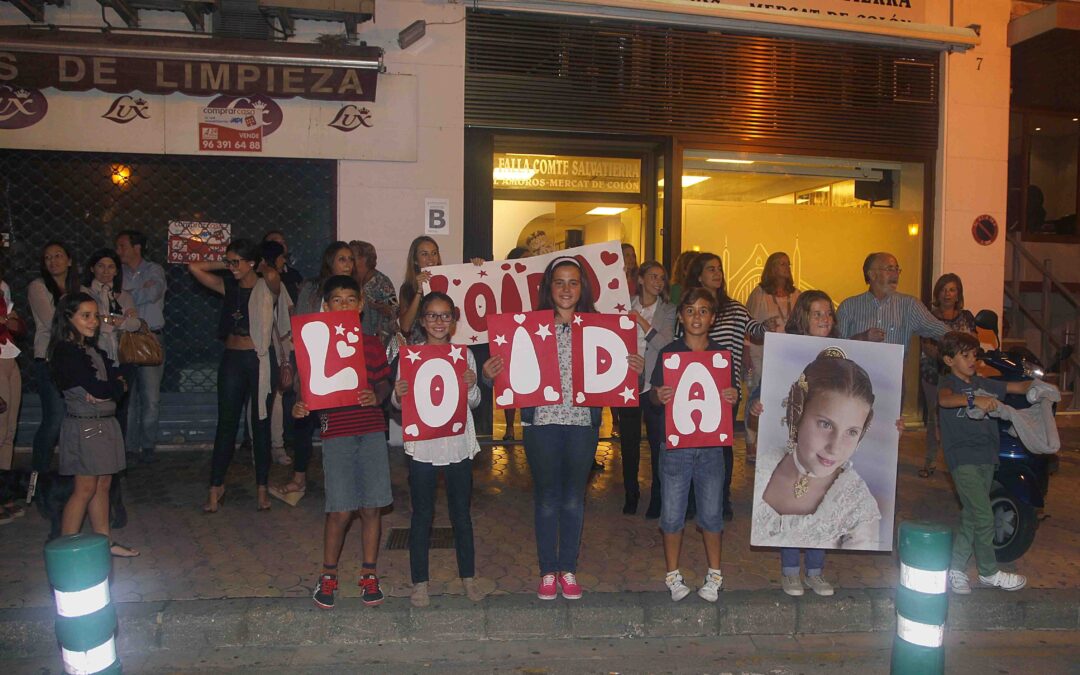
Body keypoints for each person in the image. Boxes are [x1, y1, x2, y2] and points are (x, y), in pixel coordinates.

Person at [483, 257, 644, 601]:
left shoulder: (600, 329)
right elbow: (505, 373)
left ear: (583, 287)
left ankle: (567, 569)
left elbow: (621, 376)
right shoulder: (529, 327)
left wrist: (633, 367)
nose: (566, 289)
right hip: (541, 423)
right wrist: (489, 372)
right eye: (559, 282)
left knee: (573, 499)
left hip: (582, 424)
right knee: (546, 499)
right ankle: (547, 571)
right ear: (548, 287)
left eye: (573, 282)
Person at [294, 275, 392, 609]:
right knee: (339, 509)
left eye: (351, 299)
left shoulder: (372, 344)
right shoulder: (316, 344)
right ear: (326, 305)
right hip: (336, 433)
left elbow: (384, 383)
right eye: (337, 300)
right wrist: (300, 407)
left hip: (371, 431)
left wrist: (376, 396)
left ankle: (369, 573)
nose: (345, 305)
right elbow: (305, 391)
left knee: (372, 507)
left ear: (361, 305)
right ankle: (328, 574)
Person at [391, 292, 486, 607]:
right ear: (422, 320)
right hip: (424, 446)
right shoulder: (411, 356)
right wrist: (398, 393)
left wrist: (471, 385)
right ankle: (420, 582)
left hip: (457, 444)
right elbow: (399, 403)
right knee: (422, 515)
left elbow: (474, 403)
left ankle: (468, 578)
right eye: (432, 315)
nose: (439, 322)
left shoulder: (464, 355)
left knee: (461, 515)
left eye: (445, 315)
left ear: (454, 321)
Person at [749, 290, 839, 597]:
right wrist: (756, 407)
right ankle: (790, 571)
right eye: (817, 314)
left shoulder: (844, 355)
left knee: (821, 504)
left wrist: (889, 424)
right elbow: (764, 392)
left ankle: (815, 571)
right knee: (791, 503)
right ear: (802, 318)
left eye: (828, 314)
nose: (824, 319)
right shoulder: (785, 353)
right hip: (793, 445)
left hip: (825, 446)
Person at [650, 288, 737, 603]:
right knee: (672, 515)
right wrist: (657, 396)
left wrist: (733, 396)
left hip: (712, 448)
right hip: (676, 448)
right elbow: (652, 394)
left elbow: (730, 395)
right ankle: (673, 575)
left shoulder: (722, 356)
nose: (696, 316)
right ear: (681, 316)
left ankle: (715, 574)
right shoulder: (669, 354)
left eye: (703, 310)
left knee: (712, 514)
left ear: (713, 318)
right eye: (690, 310)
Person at [751, 347, 882, 551]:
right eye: (825, 424)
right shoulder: (764, 466)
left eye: (852, 432)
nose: (834, 447)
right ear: (797, 414)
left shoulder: (859, 508)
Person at [188, 239, 281, 513]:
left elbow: (273, 276)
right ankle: (215, 486)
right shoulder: (228, 285)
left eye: (236, 262)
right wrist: (229, 262)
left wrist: (254, 263)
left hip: (260, 359)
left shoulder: (266, 285)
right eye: (229, 262)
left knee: (260, 423)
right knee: (226, 424)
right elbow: (194, 267)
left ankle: (262, 487)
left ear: (252, 262)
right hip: (233, 359)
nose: (231, 267)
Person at [939, 331, 1031, 594]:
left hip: (987, 459)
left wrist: (1040, 386)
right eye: (965, 355)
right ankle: (989, 572)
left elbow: (1017, 387)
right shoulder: (948, 384)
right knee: (983, 514)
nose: (972, 360)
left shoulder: (984, 383)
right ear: (949, 360)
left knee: (972, 515)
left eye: (974, 355)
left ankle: (956, 570)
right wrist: (973, 399)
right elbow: (945, 400)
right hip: (963, 459)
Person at [49, 292, 138, 557]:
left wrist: (113, 387)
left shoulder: (89, 349)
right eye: (85, 316)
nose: (93, 322)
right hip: (86, 426)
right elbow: (100, 388)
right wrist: (111, 387)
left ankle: (104, 542)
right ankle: (67, 550)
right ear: (68, 318)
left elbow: (117, 379)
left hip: (103, 424)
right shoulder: (65, 352)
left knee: (103, 485)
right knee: (84, 488)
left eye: (95, 316)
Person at [678, 252, 764, 521]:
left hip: (726, 389)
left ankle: (721, 498)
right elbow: (678, 345)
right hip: (692, 386)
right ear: (699, 276)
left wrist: (771, 326)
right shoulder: (689, 308)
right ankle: (692, 499)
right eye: (711, 269)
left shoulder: (735, 308)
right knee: (692, 443)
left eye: (719, 269)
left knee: (722, 446)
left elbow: (756, 329)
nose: (717, 273)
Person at [270, 241, 356, 506]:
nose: (348, 264)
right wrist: (299, 366)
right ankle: (299, 478)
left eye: (351, 259)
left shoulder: (354, 289)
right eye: (342, 259)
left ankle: (343, 481)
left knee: (341, 423)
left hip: (342, 364)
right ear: (330, 261)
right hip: (314, 361)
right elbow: (300, 326)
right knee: (304, 421)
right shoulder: (311, 288)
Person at [28, 241, 80, 476]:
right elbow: (53, 322)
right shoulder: (38, 287)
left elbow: (93, 319)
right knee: (54, 419)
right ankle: (37, 477)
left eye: (58, 255)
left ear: (69, 260)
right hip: (50, 358)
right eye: (48, 257)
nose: (53, 261)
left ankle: (70, 474)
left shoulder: (80, 289)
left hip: (76, 359)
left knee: (74, 419)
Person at [116, 230, 167, 464]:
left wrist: (128, 294)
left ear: (137, 248)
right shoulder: (118, 272)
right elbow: (118, 300)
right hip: (126, 337)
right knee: (129, 396)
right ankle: (129, 447)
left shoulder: (154, 270)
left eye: (122, 245)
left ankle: (147, 446)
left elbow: (153, 292)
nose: (119, 251)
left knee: (151, 397)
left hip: (150, 337)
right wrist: (135, 292)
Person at [628, 261, 675, 517]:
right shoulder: (624, 304)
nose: (658, 282)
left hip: (653, 385)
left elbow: (666, 345)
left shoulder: (668, 310)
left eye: (662, 278)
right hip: (626, 383)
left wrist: (641, 323)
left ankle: (657, 498)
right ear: (641, 279)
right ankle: (630, 494)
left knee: (657, 444)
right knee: (629, 442)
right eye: (653, 276)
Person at [919, 274, 976, 478]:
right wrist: (950, 359)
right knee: (934, 419)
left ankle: (961, 462)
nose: (947, 294)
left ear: (958, 294)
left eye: (952, 290)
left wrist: (960, 362)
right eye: (943, 289)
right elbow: (927, 346)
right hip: (933, 373)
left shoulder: (966, 317)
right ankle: (930, 460)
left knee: (961, 418)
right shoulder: (928, 316)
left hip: (961, 377)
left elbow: (974, 343)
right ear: (937, 293)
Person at [745, 252, 800, 463]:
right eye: (780, 263)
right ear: (771, 267)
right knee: (757, 395)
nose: (785, 267)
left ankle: (776, 441)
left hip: (788, 357)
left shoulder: (797, 295)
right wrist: (746, 352)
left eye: (787, 263)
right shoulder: (759, 294)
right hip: (761, 353)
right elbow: (747, 326)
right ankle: (751, 442)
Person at [836, 252, 947, 348]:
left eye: (897, 269)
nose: (896, 275)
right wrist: (862, 338)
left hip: (895, 367)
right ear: (872, 274)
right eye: (889, 269)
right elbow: (834, 348)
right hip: (855, 367)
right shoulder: (848, 307)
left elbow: (943, 332)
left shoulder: (909, 305)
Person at [0, 260, 24, 523]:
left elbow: (16, 323)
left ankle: (3, 492)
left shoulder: (3, 286)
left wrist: (11, 321)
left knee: (9, 432)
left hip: (9, 356)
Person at [350, 240, 398, 347]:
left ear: (364, 259)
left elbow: (395, 310)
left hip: (382, 340)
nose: (349, 261)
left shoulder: (381, 281)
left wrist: (377, 306)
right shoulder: (349, 281)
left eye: (352, 257)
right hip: (355, 337)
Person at [399, 236, 441, 343]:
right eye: (424, 254)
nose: (431, 258)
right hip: (418, 348)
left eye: (434, 253)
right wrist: (418, 292)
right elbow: (405, 327)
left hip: (445, 346)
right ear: (415, 260)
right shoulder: (407, 288)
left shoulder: (449, 282)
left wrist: (475, 267)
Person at [262, 230, 303, 303]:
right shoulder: (261, 274)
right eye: (275, 242)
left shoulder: (294, 274)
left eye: (283, 242)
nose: (281, 245)